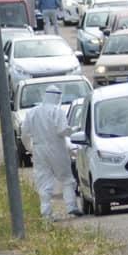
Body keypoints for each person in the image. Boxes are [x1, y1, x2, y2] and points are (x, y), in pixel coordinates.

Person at [20, 85, 81, 220]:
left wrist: (30, 148)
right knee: (66, 178)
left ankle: (46, 213)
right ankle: (71, 206)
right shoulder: (57, 111)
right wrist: (74, 130)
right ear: (57, 97)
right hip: (57, 148)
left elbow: (24, 133)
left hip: (39, 149)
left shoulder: (32, 112)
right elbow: (62, 130)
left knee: (44, 180)